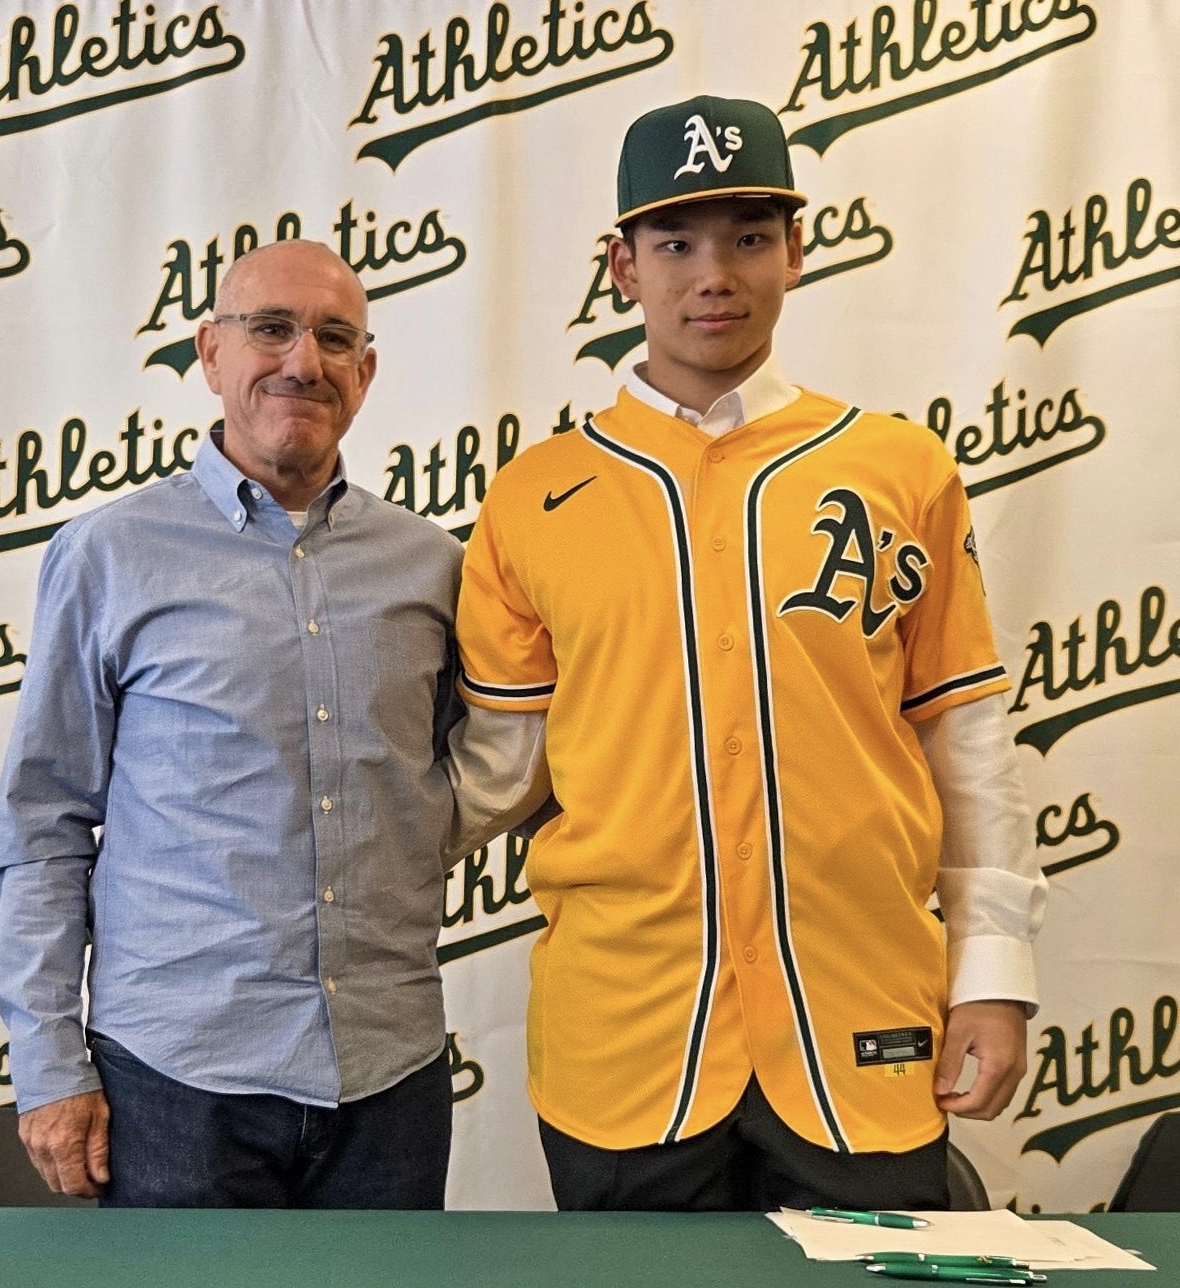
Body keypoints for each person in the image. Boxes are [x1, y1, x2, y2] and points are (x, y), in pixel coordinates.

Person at [448, 96, 1047, 1211]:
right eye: (675, 243)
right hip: (626, 1034)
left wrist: (994, 972)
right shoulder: (532, 496)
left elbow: (964, 741)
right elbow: (496, 770)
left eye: (749, 238)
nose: (713, 275)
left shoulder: (899, 467)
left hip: (861, 1014)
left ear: (796, 253)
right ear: (622, 267)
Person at [0, 239, 463, 1209]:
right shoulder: (109, 555)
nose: (304, 361)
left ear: (366, 372)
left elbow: (477, 777)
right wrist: (48, 1063)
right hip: (174, 1084)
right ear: (210, 353)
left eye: (336, 338)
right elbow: (43, 827)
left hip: (391, 1079)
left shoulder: (434, 565)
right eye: (271, 329)